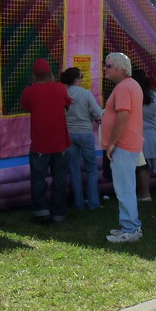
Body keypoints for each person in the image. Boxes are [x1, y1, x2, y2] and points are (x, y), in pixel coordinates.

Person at [20, 59, 71, 223]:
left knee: (38, 179)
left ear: (34, 75)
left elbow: (26, 107)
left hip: (39, 144)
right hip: (60, 142)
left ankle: (41, 212)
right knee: (60, 178)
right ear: (50, 74)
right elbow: (67, 103)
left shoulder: (29, 91)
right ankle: (59, 213)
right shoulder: (60, 88)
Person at [102, 53, 144, 243]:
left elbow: (123, 116)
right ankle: (130, 226)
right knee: (126, 188)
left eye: (108, 65)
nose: (105, 68)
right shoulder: (130, 85)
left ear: (120, 69)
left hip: (123, 145)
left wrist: (112, 143)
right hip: (128, 144)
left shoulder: (124, 87)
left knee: (124, 189)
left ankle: (131, 229)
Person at [60, 67, 102, 211]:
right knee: (91, 168)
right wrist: (92, 117)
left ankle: (78, 203)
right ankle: (93, 203)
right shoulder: (85, 93)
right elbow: (98, 112)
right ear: (77, 79)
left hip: (69, 134)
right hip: (85, 133)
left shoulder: (63, 93)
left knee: (73, 168)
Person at [131, 67, 156, 204]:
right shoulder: (153, 94)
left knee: (140, 167)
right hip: (150, 134)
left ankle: (145, 194)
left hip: (137, 134)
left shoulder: (133, 94)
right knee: (145, 166)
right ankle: (144, 193)